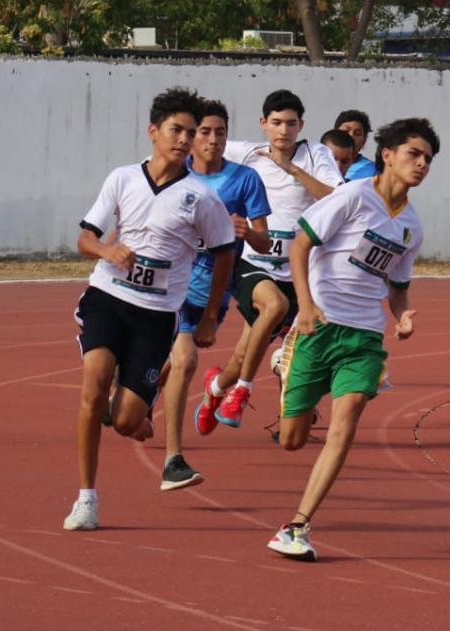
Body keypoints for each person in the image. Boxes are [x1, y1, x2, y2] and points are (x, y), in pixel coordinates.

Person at [267, 118, 440, 561]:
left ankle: (298, 525)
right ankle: (286, 363)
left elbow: (397, 285)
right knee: (291, 439)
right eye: (413, 154)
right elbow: (300, 246)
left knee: (345, 424)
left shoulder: (413, 226)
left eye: (428, 159)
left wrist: (401, 317)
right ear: (387, 155)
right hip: (319, 326)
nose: (421, 164)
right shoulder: (352, 197)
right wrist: (304, 306)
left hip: (364, 335)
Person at [66, 87, 235, 530]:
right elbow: (84, 238)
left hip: (157, 315)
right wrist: (108, 252)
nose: (184, 139)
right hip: (107, 297)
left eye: (191, 132)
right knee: (94, 384)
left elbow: (224, 253)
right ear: (153, 131)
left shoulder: (201, 197)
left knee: (125, 421)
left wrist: (211, 317)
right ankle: (86, 498)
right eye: (176, 130)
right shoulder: (122, 178)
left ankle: (138, 408)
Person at [194, 89, 343, 434]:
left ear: (301, 125)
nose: (283, 131)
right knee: (273, 307)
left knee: (244, 355)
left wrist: (292, 170)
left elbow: (338, 199)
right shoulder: (246, 153)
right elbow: (197, 146)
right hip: (254, 264)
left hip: (300, 274)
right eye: (276, 123)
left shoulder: (315, 154)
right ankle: (242, 391)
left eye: (291, 124)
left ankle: (216, 389)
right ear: (263, 123)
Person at [156, 99, 271, 491]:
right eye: (204, 132)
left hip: (212, 290)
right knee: (183, 359)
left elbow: (265, 240)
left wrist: (245, 231)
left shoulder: (245, 179)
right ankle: (173, 458)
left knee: (175, 363)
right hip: (169, 282)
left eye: (219, 132)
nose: (212, 140)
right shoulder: (173, 175)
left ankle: (143, 392)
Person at [334, 109, 378, 181]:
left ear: (364, 141)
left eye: (358, 134)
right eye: (345, 131)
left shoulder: (373, 171)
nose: (351, 136)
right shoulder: (318, 163)